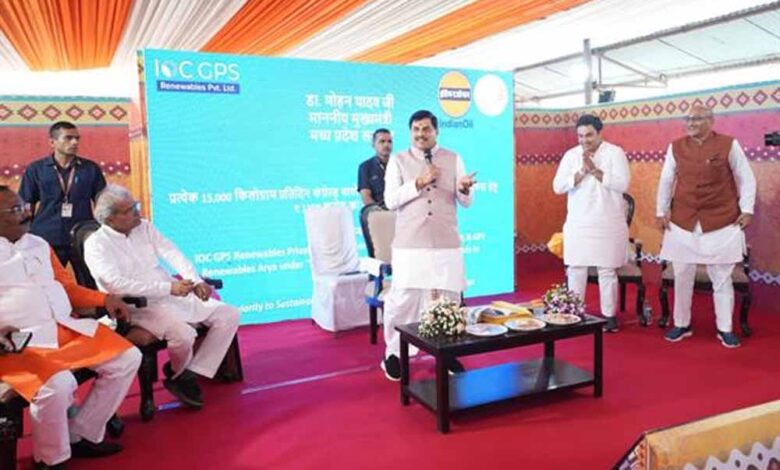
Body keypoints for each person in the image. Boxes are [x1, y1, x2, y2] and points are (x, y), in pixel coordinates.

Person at [0, 185, 141, 470]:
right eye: (16, 210)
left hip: (62, 329)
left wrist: (104, 299)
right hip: (17, 344)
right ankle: (50, 459)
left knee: (127, 357)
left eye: (24, 206)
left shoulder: (38, 244)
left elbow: (67, 287)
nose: (26, 213)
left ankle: (82, 433)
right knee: (59, 385)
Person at [84, 185, 240, 407]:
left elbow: (171, 252)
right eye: (129, 210)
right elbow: (115, 285)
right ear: (110, 219)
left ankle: (190, 373)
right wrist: (167, 288)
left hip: (172, 295)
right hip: (138, 306)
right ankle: (181, 373)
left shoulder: (144, 227)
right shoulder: (96, 244)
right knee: (184, 334)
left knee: (229, 314)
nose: (137, 212)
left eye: (135, 206)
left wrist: (194, 280)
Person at [380, 110, 476, 381]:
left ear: (436, 131)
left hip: (446, 241)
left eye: (426, 129)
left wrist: (465, 189)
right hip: (411, 244)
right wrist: (419, 182)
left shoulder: (454, 158)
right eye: (416, 130)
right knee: (404, 300)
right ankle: (394, 353)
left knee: (449, 298)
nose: (421, 134)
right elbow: (390, 200)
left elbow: (466, 201)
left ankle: (447, 351)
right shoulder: (398, 160)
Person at [656, 105, 756, 348]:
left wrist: (747, 210)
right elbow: (666, 180)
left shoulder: (729, 144)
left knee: (722, 276)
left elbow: (746, 177)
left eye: (696, 119)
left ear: (711, 121)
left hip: (721, 219)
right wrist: (661, 211)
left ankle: (725, 329)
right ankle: (682, 324)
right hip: (683, 220)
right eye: (688, 119)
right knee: (682, 274)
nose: (690, 123)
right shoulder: (676, 146)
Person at [552, 114, 630, 333]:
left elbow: (623, 184)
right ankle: (575, 313)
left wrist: (596, 171)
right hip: (579, 222)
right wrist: (581, 173)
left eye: (589, 135)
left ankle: (609, 316)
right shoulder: (571, 155)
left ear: (599, 133)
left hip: (608, 222)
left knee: (607, 270)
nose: (584, 140)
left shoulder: (615, 153)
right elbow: (557, 187)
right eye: (580, 136)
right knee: (576, 268)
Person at [19, 121, 107, 268]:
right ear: (52, 142)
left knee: (89, 279)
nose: (74, 142)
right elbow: (27, 204)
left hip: (84, 236)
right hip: (47, 237)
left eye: (77, 138)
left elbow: (103, 203)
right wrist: (24, 237)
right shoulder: (36, 169)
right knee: (49, 279)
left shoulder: (91, 169)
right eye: (68, 138)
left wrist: (104, 232)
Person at [358, 129, 393, 257]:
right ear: (373, 144)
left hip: (399, 213)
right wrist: (385, 216)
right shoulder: (365, 167)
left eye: (389, 141)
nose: (386, 145)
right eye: (382, 141)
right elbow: (365, 197)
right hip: (379, 216)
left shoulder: (399, 163)